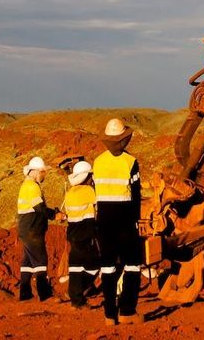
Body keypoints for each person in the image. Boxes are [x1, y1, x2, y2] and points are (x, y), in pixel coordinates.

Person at [93, 118, 144, 326]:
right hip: (125, 219)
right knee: (132, 265)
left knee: (107, 268)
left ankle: (109, 315)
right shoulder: (130, 162)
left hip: (104, 220)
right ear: (123, 140)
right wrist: (136, 220)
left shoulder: (97, 162)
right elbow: (136, 195)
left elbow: (97, 191)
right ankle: (127, 311)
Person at [16, 155, 56, 301]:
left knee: (27, 262)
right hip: (32, 229)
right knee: (40, 260)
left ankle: (25, 294)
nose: (43, 175)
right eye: (42, 172)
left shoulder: (27, 185)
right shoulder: (32, 187)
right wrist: (54, 215)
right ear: (34, 171)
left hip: (26, 229)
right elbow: (39, 208)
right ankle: (45, 294)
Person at [62, 159, 98, 309]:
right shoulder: (89, 191)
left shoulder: (69, 193)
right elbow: (99, 206)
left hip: (73, 233)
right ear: (87, 177)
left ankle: (75, 297)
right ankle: (77, 293)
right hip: (86, 234)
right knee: (94, 266)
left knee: (76, 267)